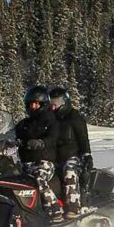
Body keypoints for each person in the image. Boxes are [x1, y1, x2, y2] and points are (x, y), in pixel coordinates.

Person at [15, 86, 63, 223]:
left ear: (44, 104)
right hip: (25, 163)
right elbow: (11, 134)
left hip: (44, 162)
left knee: (38, 178)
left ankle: (54, 209)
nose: (33, 107)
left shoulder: (51, 121)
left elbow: (53, 137)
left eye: (36, 104)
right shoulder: (24, 123)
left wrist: (41, 142)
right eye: (31, 104)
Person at [49, 86, 92, 219]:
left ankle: (73, 207)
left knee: (69, 171)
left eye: (56, 102)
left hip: (72, 156)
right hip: (54, 157)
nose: (53, 106)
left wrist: (87, 155)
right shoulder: (50, 119)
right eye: (51, 103)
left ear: (65, 102)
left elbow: (83, 138)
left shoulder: (74, 117)